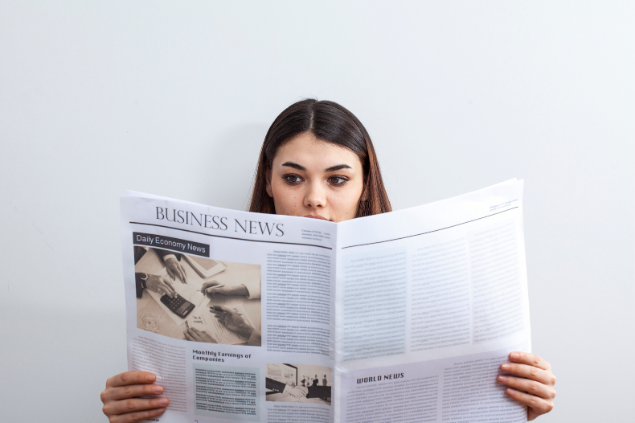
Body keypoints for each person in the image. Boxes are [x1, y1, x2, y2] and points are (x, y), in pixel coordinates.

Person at [101, 99, 556, 422]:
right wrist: (138, 414)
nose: (314, 199)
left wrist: (511, 406)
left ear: (363, 185)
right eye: (294, 177)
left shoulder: (435, 277)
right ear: (268, 183)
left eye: (337, 179)